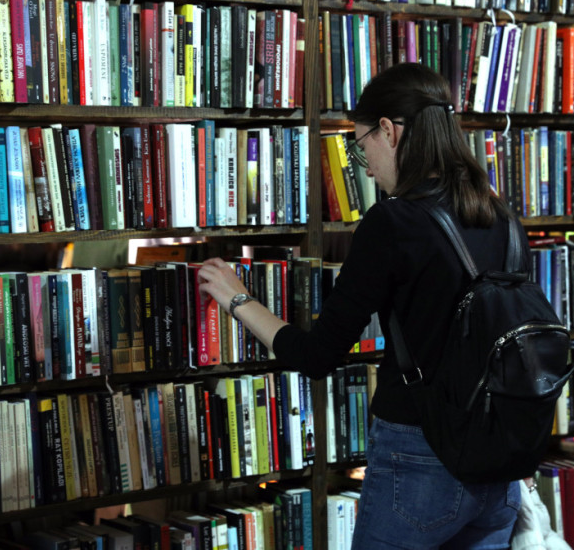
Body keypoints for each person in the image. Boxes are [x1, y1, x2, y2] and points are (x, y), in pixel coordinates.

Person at [198, 62, 527, 549]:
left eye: (361, 145)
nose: (366, 166)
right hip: (500, 463)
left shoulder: (393, 222)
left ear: (389, 131)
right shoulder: (503, 217)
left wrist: (236, 298)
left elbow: (317, 355)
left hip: (421, 459)